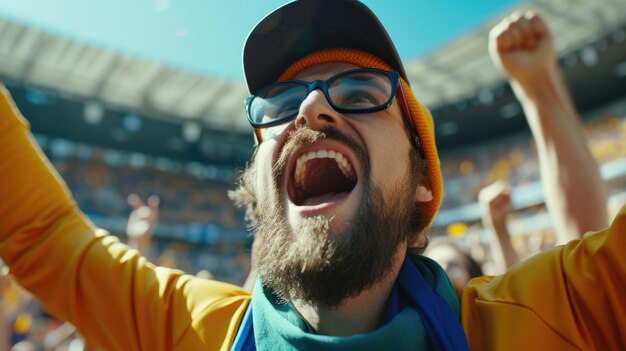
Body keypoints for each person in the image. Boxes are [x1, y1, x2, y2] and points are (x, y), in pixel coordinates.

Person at [0, 1, 624, 350]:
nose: (309, 109)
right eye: (277, 102)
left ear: (423, 182)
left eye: (358, 91)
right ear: (256, 183)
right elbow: (42, 234)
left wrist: (541, 90)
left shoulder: (551, 318)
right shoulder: (192, 331)